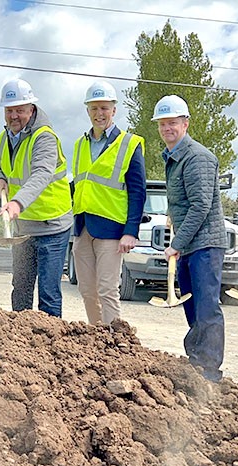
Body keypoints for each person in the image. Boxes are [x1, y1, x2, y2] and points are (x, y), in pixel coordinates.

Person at [154, 94, 228, 383]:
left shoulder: (197, 157)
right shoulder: (174, 156)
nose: (166, 129)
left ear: (185, 123)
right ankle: (197, 362)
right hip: (192, 244)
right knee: (192, 304)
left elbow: (201, 206)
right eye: (162, 124)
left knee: (206, 306)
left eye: (172, 122)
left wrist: (176, 244)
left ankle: (209, 370)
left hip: (205, 245)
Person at [0, 79, 73, 318]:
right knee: (21, 289)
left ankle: (49, 347)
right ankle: (20, 345)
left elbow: (41, 174)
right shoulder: (3, 138)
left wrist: (17, 202)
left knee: (48, 293)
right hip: (23, 228)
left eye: (19, 109)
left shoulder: (44, 137)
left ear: (31, 108)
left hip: (52, 226)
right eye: (9, 110)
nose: (14, 115)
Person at [70, 81, 146, 326]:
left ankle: (115, 345)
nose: (99, 114)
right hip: (83, 228)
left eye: (104, 108)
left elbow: (137, 191)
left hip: (112, 230)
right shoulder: (80, 145)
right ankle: (97, 338)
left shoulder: (128, 144)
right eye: (94, 108)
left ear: (114, 110)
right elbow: (78, 186)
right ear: (87, 111)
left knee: (107, 290)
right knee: (87, 291)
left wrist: (130, 231)